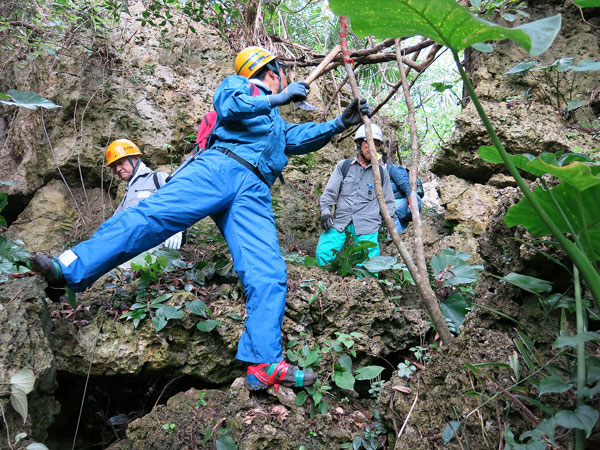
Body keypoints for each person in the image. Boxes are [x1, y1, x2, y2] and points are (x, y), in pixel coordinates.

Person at [30, 46, 370, 391]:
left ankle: (264, 361)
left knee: (267, 269)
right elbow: (229, 107)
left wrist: (339, 123)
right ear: (272, 70)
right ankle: (67, 269)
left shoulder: (275, 122)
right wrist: (276, 98)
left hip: (253, 188)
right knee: (148, 218)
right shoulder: (240, 85)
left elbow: (294, 140)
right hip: (219, 166)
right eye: (280, 73)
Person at [316, 123, 395, 266]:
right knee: (323, 252)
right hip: (340, 220)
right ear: (358, 143)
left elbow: (389, 203)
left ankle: (365, 285)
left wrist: (388, 224)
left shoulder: (382, 174)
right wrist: (326, 212)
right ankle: (327, 283)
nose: (373, 147)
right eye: (368, 142)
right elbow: (329, 193)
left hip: (368, 224)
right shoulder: (344, 166)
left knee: (370, 263)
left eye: (376, 144)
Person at [105, 139, 183, 250]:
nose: (117, 169)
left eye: (121, 163)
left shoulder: (157, 178)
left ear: (135, 158)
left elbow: (179, 201)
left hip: (155, 252)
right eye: (114, 166)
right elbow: (114, 226)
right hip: (132, 252)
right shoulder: (127, 195)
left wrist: (177, 229)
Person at [384, 155, 423, 233]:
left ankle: (394, 237)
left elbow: (408, 187)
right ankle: (400, 236)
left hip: (410, 202)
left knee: (389, 209)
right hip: (398, 204)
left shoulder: (394, 170)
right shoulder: (380, 177)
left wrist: (412, 204)